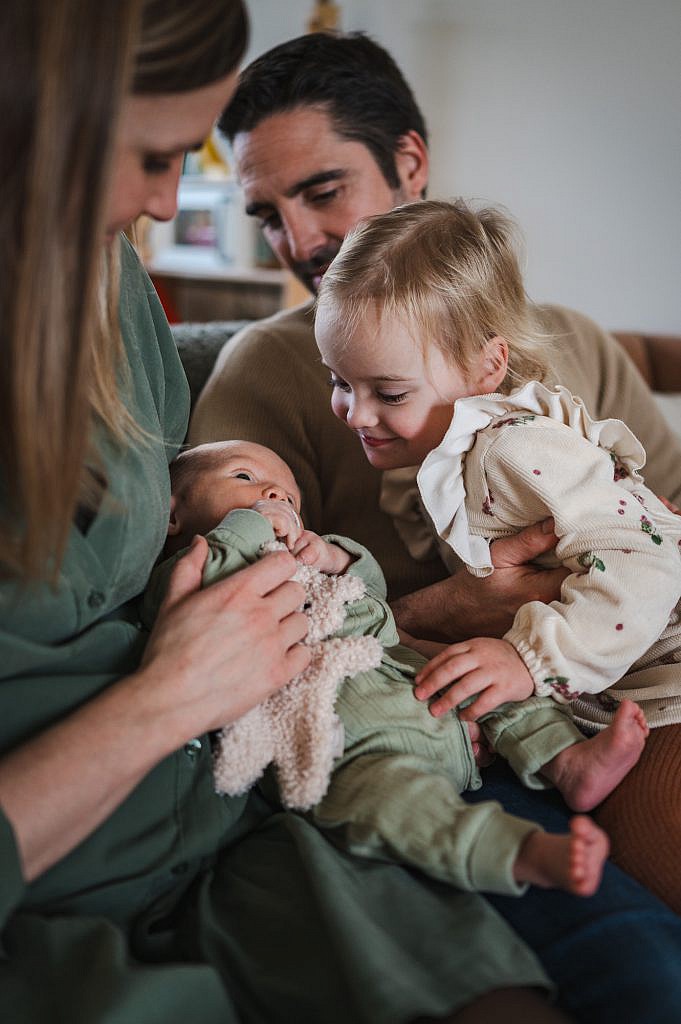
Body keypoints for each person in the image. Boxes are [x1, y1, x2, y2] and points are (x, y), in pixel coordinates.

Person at [0, 3, 582, 1023]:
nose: (168, 203)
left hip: (242, 814)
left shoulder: (103, 276)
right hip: (113, 846)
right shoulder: (282, 367)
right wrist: (171, 694)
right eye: (148, 155)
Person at [188, 29, 681, 1022]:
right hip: (461, 721)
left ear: (409, 163)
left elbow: (662, 526)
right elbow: (248, 570)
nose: (296, 242)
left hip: (633, 668)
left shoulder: (567, 345)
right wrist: (458, 608)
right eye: (267, 214)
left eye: (321, 191)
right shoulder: (270, 369)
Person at [145, 438, 636, 899]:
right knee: (394, 807)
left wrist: (335, 555)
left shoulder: (309, 559)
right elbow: (218, 572)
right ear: (171, 513)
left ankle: (567, 762)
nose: (273, 494)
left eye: (288, 497)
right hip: (348, 739)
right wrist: (252, 521)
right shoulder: (183, 570)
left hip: (415, 682)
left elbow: (371, 597)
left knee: (489, 677)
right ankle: (515, 851)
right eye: (244, 476)